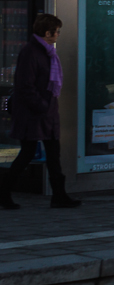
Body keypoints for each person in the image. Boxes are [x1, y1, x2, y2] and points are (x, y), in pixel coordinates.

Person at [0, 14, 80, 210]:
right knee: (27, 153)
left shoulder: (47, 52)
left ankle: (59, 196)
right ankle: (4, 192)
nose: (58, 35)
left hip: (47, 113)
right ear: (47, 33)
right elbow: (25, 85)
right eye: (57, 31)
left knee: (53, 154)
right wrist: (42, 106)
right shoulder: (32, 52)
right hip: (33, 114)